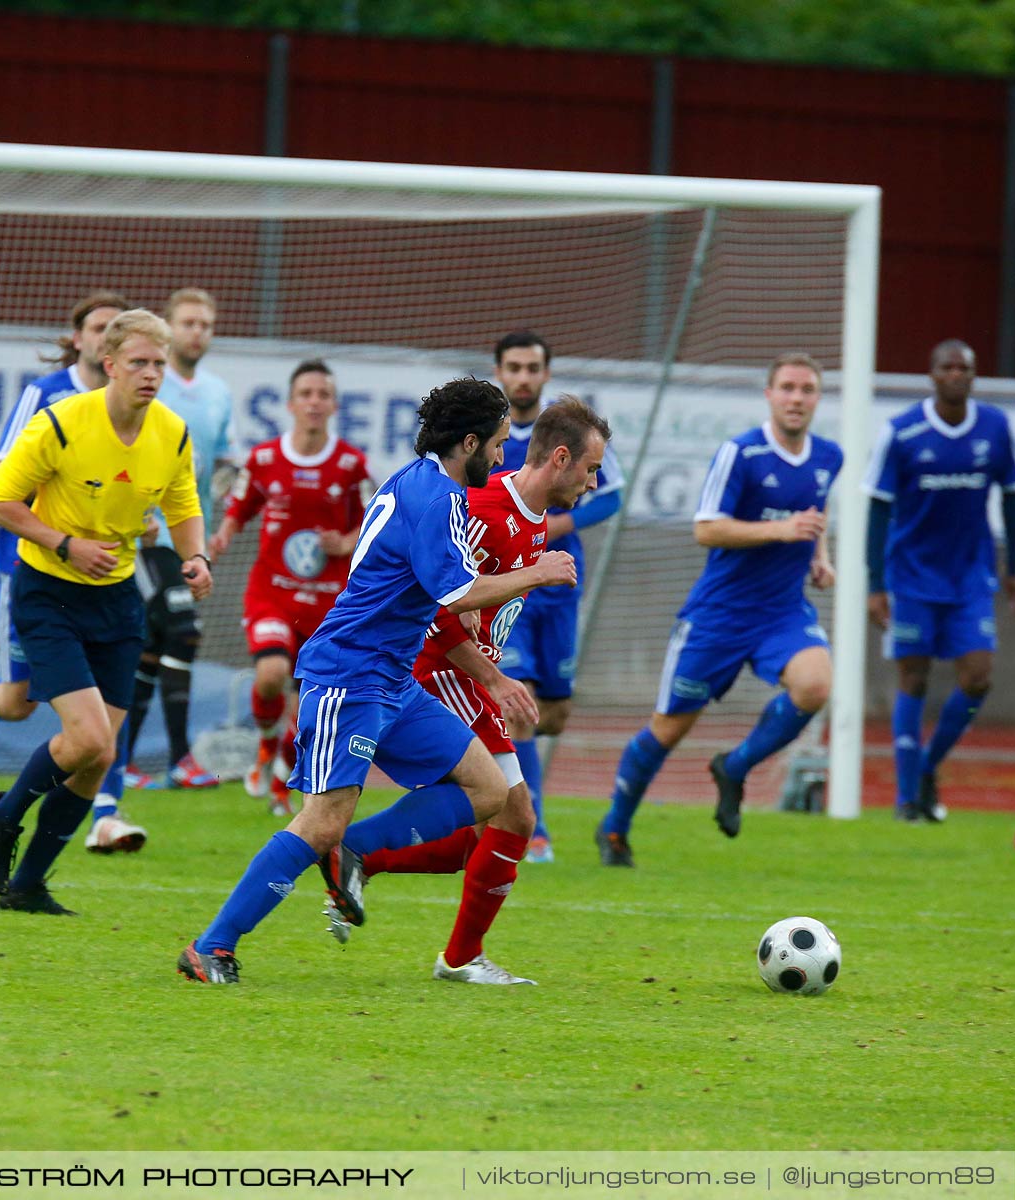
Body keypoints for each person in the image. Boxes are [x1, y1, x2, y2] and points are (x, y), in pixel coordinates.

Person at [176, 378, 577, 984]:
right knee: (318, 821)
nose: (502, 457)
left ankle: (353, 848)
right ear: (468, 441)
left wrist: (472, 598)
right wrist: (536, 573)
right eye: (496, 444)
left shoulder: (422, 484)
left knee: (488, 790)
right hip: (350, 675)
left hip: (393, 679)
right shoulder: (437, 498)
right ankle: (212, 945)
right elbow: (460, 590)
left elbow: (445, 584)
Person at [351, 398, 607, 984]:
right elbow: (437, 606)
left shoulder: (534, 516)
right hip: (441, 672)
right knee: (515, 815)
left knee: (477, 833)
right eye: (590, 469)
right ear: (560, 458)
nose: (593, 483)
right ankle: (458, 955)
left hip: (468, 674)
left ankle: (359, 855)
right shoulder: (485, 507)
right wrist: (494, 678)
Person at [0, 309, 212, 915]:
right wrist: (65, 543)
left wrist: (197, 557)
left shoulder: (171, 433)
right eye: (140, 363)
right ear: (109, 364)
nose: (152, 374)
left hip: (116, 600)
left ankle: (26, 886)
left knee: (100, 754)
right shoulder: (62, 422)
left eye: (159, 364)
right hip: (47, 591)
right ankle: (1, 816)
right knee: (87, 737)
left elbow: (183, 506)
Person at [0, 291, 151, 853]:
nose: (105, 337)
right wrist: (68, 524)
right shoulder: (46, 396)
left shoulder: (137, 413)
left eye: (116, 330)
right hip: (31, 573)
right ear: (78, 338)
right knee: (19, 701)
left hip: (104, 578)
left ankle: (106, 813)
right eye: (97, 327)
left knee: (104, 702)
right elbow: (4, 479)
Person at [595, 353, 841, 866]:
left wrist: (820, 556)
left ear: (818, 397)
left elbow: (815, 513)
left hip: (783, 612)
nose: (797, 398)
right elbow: (706, 528)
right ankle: (615, 829)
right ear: (770, 395)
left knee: (817, 684)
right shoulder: (741, 453)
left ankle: (736, 766)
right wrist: (782, 529)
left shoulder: (828, 456)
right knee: (669, 729)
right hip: (719, 616)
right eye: (788, 388)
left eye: (807, 389)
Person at [864, 339, 1015, 823]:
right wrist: (876, 583)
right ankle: (904, 800)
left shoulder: (995, 428)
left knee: (978, 678)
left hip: (971, 578)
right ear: (932, 375)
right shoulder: (901, 432)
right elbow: (877, 508)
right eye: (947, 367)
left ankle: (926, 768)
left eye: (965, 368)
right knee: (913, 677)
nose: (956, 374)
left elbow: (1013, 497)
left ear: (974, 376)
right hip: (912, 578)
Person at [207, 360, 372, 817]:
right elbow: (239, 509)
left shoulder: (350, 465)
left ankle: (281, 776)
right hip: (272, 593)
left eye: (323, 394)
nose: (315, 402)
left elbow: (374, 525)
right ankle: (264, 746)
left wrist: (345, 541)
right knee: (270, 673)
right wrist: (217, 541)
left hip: (328, 603)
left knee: (310, 712)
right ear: (291, 403)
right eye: (306, 394)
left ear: (334, 404)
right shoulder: (264, 459)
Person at [489, 332, 624, 863]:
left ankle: (497, 776)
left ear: (545, 374)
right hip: (509, 587)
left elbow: (610, 496)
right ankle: (532, 827)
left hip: (560, 584)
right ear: (500, 372)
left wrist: (554, 524)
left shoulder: (569, 434)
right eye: (514, 367)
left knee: (555, 712)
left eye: (532, 367)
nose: (523, 376)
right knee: (517, 706)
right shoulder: (491, 437)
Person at [122, 287, 233, 792]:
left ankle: (120, 759)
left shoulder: (217, 392)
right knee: (184, 631)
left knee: (155, 643)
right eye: (188, 323)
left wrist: (224, 511)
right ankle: (181, 758)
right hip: (149, 535)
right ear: (169, 328)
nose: (197, 332)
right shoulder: (151, 385)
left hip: (191, 534)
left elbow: (225, 460)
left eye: (205, 324)